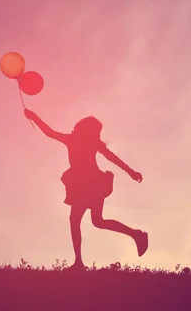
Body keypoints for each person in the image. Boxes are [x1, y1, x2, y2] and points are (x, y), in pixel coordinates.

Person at [24, 108, 148, 270]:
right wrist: (34, 117)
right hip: (88, 184)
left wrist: (130, 171)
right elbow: (49, 132)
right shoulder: (77, 140)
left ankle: (79, 262)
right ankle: (136, 235)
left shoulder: (81, 141)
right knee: (96, 221)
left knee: (79, 221)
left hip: (90, 184)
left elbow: (112, 158)